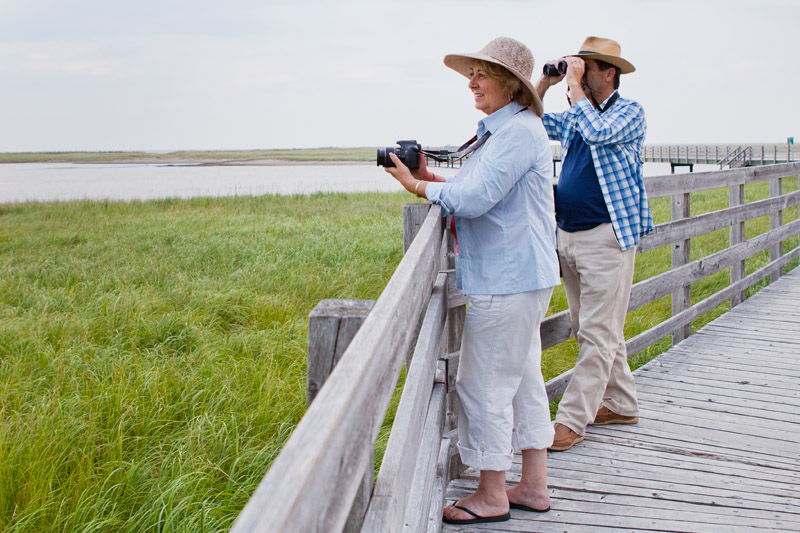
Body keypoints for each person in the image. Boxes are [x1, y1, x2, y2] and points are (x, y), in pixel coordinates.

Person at [384, 36, 560, 526]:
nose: (472, 82)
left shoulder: (518, 133)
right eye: (473, 73)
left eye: (483, 73)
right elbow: (475, 189)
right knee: (522, 377)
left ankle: (490, 494)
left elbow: (476, 199)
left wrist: (418, 186)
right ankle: (533, 485)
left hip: (507, 278)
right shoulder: (507, 131)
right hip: (520, 274)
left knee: (482, 383)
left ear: (511, 84)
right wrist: (430, 178)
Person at [534, 36, 653, 452]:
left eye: (587, 66)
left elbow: (600, 133)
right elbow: (530, 121)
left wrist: (576, 91)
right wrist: (545, 84)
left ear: (609, 73)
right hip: (568, 234)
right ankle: (620, 402)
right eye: (576, 65)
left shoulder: (629, 113)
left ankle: (571, 420)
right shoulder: (577, 114)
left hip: (607, 236)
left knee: (599, 334)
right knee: (593, 329)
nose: (579, 72)